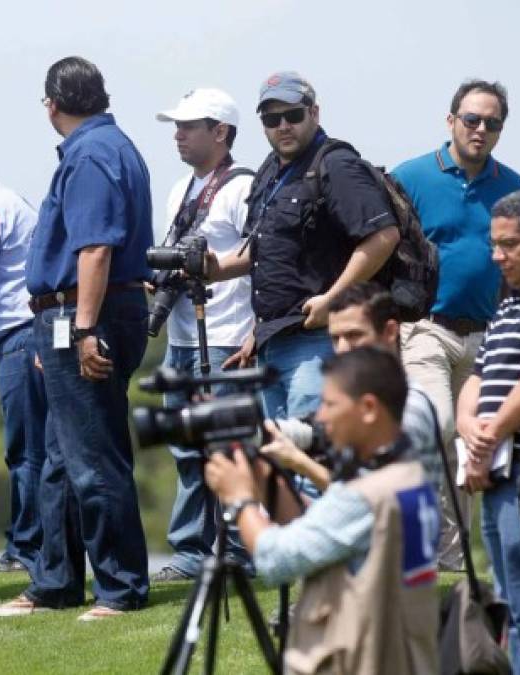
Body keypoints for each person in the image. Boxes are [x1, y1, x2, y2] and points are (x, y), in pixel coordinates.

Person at [0, 56, 152, 621]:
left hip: (87, 315)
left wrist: (81, 329)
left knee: (93, 456)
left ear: (51, 104)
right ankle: (55, 581)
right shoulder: (107, 146)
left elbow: (96, 249)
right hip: (68, 316)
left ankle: (121, 588)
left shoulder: (91, 154)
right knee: (60, 457)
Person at [207, 347, 440, 674]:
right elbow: (323, 527)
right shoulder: (409, 477)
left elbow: (276, 559)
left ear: (369, 408)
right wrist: (265, 474)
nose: (320, 417)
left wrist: (241, 499)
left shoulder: (366, 496)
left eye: (330, 404)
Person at [206, 71, 400, 423]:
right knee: (286, 462)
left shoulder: (336, 164)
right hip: (271, 341)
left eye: (293, 115)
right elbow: (267, 248)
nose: (283, 126)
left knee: (315, 457)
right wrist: (218, 271)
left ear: (314, 113)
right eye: (271, 118)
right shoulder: (270, 170)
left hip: (317, 340)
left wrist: (332, 300)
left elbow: (383, 236)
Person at [392, 79, 520, 571]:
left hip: (491, 337)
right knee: (436, 428)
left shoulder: (515, 188)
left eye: (493, 123)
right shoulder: (408, 177)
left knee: (476, 442)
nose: (481, 129)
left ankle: (452, 559)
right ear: (450, 121)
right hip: (428, 328)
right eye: (472, 119)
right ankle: (428, 552)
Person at [149, 88, 255, 582]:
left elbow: (263, 255)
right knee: (187, 449)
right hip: (182, 337)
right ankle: (192, 551)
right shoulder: (179, 190)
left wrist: (216, 273)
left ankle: (239, 549)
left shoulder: (243, 186)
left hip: (228, 336)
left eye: (189, 126)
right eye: (177, 125)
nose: (178, 134)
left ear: (221, 132)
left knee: (229, 449)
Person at [455, 188, 520, 671]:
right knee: (513, 603)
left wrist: (483, 444)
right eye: (494, 243)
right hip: (499, 470)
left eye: (510, 244)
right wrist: (468, 425)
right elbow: (477, 376)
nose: (497, 255)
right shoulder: (511, 302)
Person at [263, 282, 442, 496]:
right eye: (335, 338)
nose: (343, 349)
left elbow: (373, 499)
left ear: (390, 331)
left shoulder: (407, 408)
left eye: (354, 335)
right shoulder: (360, 403)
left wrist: (299, 462)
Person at [0, 183, 45, 574]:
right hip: (21, 335)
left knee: (27, 450)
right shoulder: (0, 198)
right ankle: (32, 547)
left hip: (21, 335)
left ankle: (27, 550)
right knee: (32, 449)